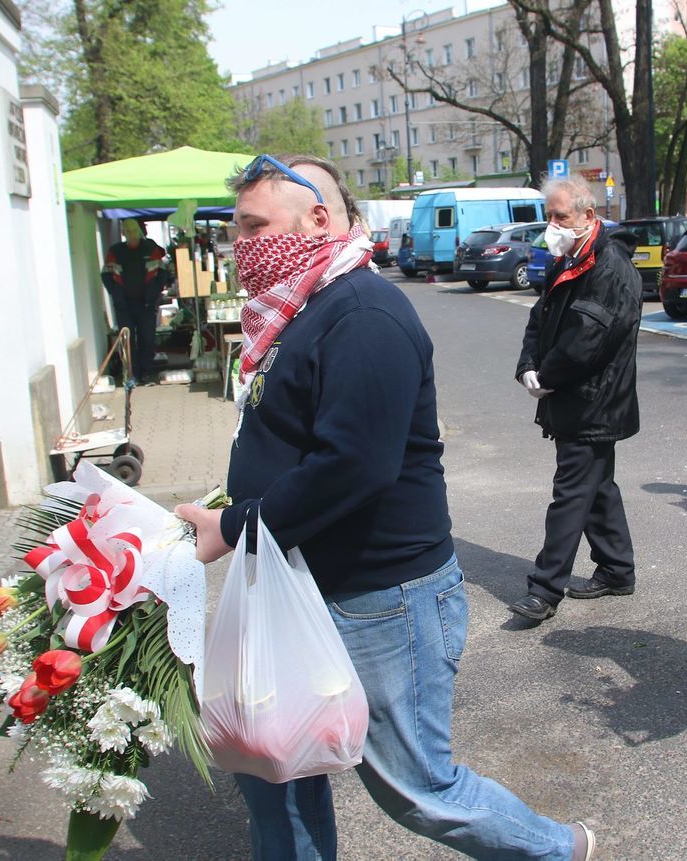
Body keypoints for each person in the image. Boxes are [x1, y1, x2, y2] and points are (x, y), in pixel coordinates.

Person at [175, 154, 595, 860]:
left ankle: (560, 849)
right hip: (301, 583)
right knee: (270, 768)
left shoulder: (363, 311)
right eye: (235, 229)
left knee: (416, 787)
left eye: (254, 227)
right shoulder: (300, 308)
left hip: (380, 596)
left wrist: (237, 525)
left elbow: (353, 466)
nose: (239, 245)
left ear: (316, 218)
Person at [508, 175, 642, 624]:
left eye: (560, 216)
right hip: (575, 396)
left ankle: (544, 591)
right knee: (595, 486)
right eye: (549, 216)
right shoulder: (569, 257)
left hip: (593, 402)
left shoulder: (609, 268)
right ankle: (617, 569)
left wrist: (544, 376)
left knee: (572, 492)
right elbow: (540, 318)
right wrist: (529, 365)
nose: (552, 225)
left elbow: (588, 341)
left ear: (588, 216)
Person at [100, 219, 167, 384]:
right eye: (128, 231)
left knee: (147, 339)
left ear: (139, 231)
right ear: (123, 233)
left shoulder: (150, 249)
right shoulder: (115, 251)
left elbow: (163, 273)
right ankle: (131, 375)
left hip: (146, 304)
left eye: (134, 231)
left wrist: (155, 294)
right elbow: (106, 275)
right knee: (127, 341)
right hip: (124, 305)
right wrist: (115, 295)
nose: (131, 234)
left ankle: (146, 373)